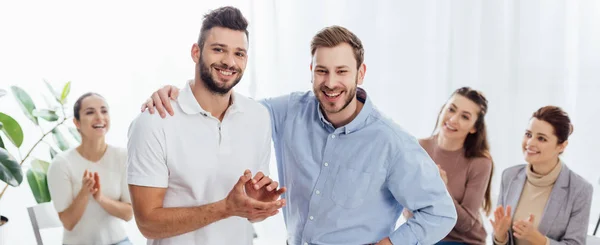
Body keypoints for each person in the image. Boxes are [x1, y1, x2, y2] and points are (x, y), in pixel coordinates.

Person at [143, 24, 457, 245]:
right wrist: (181, 94)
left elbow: (440, 213)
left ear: (361, 73)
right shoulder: (289, 110)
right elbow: (229, 107)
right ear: (311, 70)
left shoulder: (393, 143)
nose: (331, 82)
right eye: (322, 71)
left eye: (342, 71)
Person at [126, 6, 285, 245]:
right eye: (219, 49)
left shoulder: (258, 117)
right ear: (195, 52)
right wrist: (225, 208)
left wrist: (258, 203)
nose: (229, 62)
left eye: (239, 53)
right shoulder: (155, 121)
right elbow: (147, 223)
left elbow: (249, 213)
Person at [490, 106, 593, 245]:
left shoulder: (580, 190)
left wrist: (539, 240)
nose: (530, 143)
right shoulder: (509, 176)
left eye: (542, 139)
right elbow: (500, 239)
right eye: (528, 134)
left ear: (561, 146)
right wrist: (500, 236)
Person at [47, 92, 133, 245]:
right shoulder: (61, 164)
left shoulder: (122, 157)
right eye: (90, 112)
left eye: (104, 111)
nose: (99, 117)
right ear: (77, 122)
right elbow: (68, 222)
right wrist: (84, 193)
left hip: (119, 241)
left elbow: (128, 214)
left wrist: (100, 198)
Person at [412, 87, 494, 245]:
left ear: (474, 128)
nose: (453, 119)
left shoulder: (480, 162)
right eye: (451, 109)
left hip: (463, 241)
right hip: (426, 238)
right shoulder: (419, 147)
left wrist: (442, 189)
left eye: (465, 117)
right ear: (443, 109)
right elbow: (409, 210)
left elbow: (466, 224)